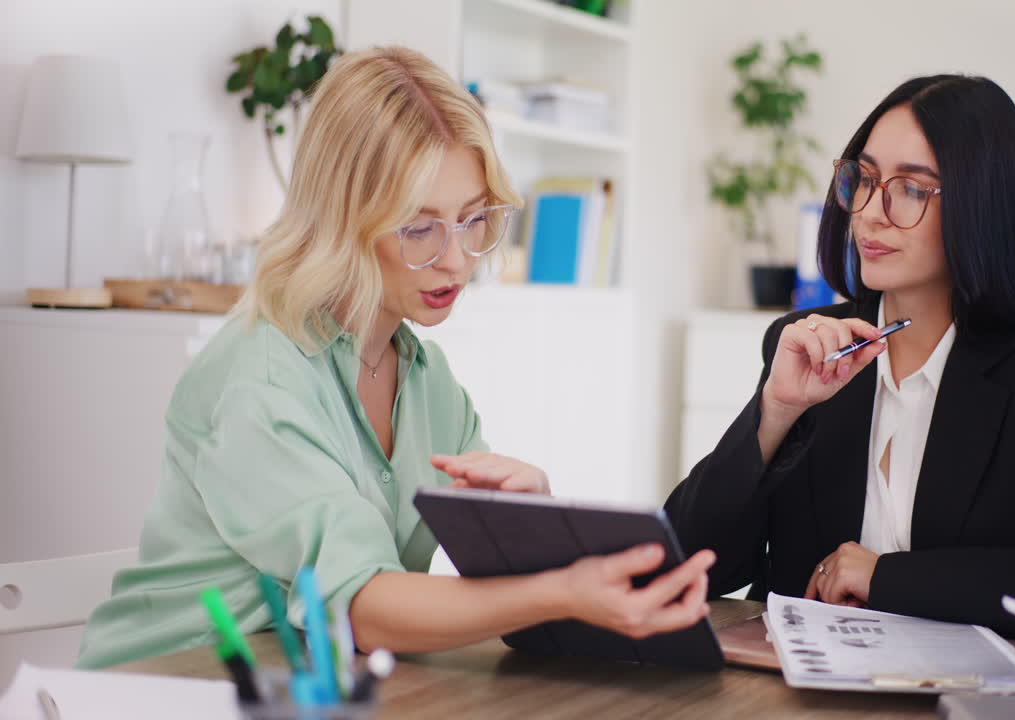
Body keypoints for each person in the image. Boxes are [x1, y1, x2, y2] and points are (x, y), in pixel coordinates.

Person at [78, 46, 713, 669]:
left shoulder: (430, 383)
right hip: (166, 686)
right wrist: (559, 591)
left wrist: (533, 524)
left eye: (471, 219)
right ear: (340, 221)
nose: (457, 257)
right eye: (419, 228)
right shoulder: (262, 378)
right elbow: (365, 607)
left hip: (314, 684)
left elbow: (470, 596)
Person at [665, 74, 1015, 640]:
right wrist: (775, 411)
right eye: (867, 178)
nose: (872, 212)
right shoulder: (812, 343)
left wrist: (890, 578)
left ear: (983, 205)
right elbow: (688, 567)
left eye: (911, 188)